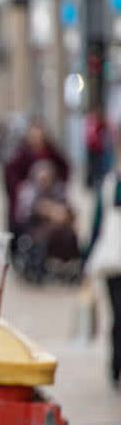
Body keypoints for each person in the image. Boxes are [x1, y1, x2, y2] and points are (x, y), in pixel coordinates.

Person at [86, 128, 121, 387]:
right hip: (114, 262)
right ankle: (116, 366)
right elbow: (96, 225)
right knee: (118, 316)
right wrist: (86, 261)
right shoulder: (110, 184)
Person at [5, 122, 69, 234]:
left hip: (51, 195)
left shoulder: (51, 152)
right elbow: (12, 175)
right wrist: (21, 189)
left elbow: (65, 168)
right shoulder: (22, 155)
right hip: (30, 199)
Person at [84, 106, 107, 189]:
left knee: (97, 165)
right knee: (91, 165)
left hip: (97, 148)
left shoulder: (99, 122)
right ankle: (90, 182)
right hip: (91, 147)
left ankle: (96, 181)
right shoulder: (90, 121)